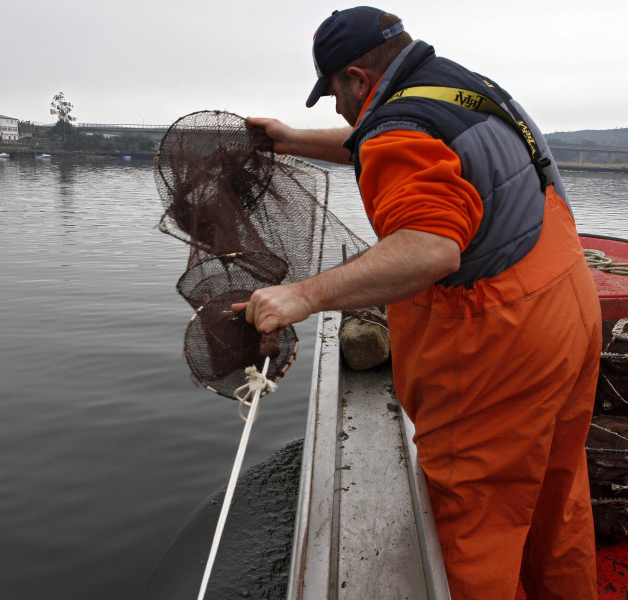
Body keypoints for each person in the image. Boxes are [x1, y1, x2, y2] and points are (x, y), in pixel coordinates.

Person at [233, 6, 601, 600]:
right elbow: (376, 140)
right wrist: (292, 140)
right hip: (569, 310)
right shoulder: (459, 87)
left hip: (500, 346)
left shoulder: (398, 127)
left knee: (476, 523)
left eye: (332, 93)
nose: (337, 108)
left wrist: (302, 295)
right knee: (556, 502)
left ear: (357, 78)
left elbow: (430, 249)